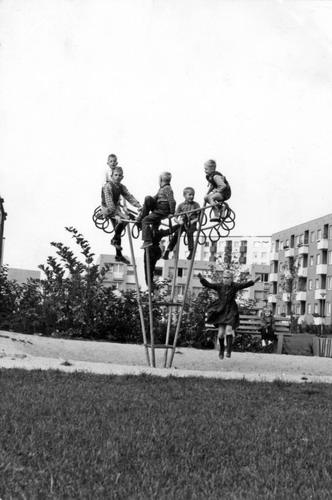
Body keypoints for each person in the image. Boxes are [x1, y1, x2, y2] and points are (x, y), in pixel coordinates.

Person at [198, 270, 260, 359]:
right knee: (220, 334)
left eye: (227, 278)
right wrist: (201, 278)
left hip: (231, 310)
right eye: (224, 278)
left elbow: (245, 285)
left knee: (229, 330)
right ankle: (221, 350)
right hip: (221, 310)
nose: (225, 279)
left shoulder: (235, 286)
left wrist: (254, 281)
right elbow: (209, 285)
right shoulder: (219, 286)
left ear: (231, 279)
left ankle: (229, 350)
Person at [101, 166, 142, 264]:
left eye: (119, 175)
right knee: (121, 220)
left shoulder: (121, 187)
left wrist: (138, 205)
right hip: (107, 207)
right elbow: (109, 202)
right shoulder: (108, 186)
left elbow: (129, 196)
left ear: (122, 177)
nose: (117, 177)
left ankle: (118, 254)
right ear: (111, 176)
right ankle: (115, 239)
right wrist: (116, 214)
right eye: (115, 175)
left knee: (125, 219)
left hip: (115, 207)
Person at [137, 171, 176, 249]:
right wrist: (144, 206)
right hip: (159, 207)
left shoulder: (167, 188)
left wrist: (172, 213)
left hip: (162, 210)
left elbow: (172, 201)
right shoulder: (162, 189)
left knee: (145, 220)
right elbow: (154, 198)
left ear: (160, 180)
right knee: (148, 198)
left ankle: (147, 241)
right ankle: (142, 219)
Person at [162, 187, 201, 261]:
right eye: (190, 195)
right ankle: (168, 250)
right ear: (184, 195)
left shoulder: (196, 205)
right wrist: (179, 221)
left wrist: (193, 221)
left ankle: (191, 251)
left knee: (190, 232)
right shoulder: (181, 205)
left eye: (193, 195)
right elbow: (175, 217)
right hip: (183, 222)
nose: (192, 196)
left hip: (192, 222)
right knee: (176, 234)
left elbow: (200, 217)